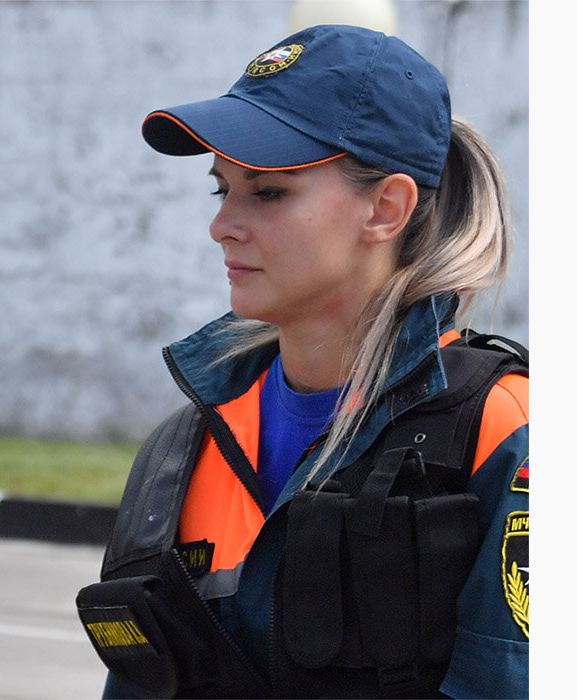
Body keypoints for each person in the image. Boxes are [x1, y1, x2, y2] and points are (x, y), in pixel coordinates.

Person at [75, 24, 528, 699]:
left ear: (386, 208)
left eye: (268, 192)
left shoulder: (499, 428)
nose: (222, 224)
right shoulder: (182, 448)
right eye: (219, 189)